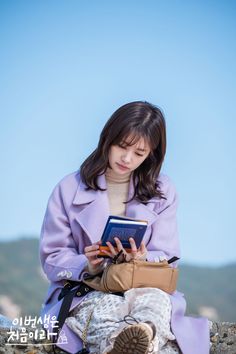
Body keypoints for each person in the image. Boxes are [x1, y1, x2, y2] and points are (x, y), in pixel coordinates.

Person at [39, 101, 210, 354]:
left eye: (139, 153)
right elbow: (52, 258)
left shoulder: (163, 192)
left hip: (143, 287)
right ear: (108, 138)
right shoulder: (68, 189)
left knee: (154, 304)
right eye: (122, 146)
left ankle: (139, 337)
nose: (127, 159)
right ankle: (130, 341)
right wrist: (86, 265)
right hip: (86, 291)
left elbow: (168, 256)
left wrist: (141, 258)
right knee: (109, 310)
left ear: (151, 153)